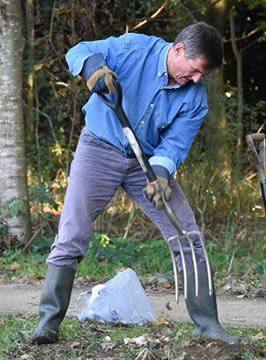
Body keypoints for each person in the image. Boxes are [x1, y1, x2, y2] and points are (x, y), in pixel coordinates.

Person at [30, 22, 240, 344]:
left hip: (145, 163)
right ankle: (48, 322)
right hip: (99, 148)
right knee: (72, 232)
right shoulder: (135, 49)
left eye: (203, 75)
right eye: (196, 70)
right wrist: (94, 68)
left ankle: (207, 325)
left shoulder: (195, 98)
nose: (198, 80)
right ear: (179, 50)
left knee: (187, 232)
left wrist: (160, 177)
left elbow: (174, 147)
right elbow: (80, 51)